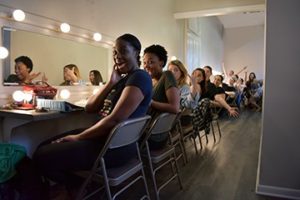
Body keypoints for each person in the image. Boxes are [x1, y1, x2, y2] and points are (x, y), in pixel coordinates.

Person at [33, 33, 152, 198]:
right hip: (103, 138)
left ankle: (81, 186)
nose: (117, 57)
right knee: (42, 147)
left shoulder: (140, 76)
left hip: (114, 147)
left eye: (123, 51)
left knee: (42, 156)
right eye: (114, 53)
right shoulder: (123, 80)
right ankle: (81, 187)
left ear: (136, 52)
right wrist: (111, 82)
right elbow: (90, 107)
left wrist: (79, 137)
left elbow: (115, 119)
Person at [143, 44, 180, 149]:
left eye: (151, 62)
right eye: (144, 62)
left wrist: (150, 102)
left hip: (153, 136)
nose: (146, 66)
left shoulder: (167, 75)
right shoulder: (151, 81)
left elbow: (175, 108)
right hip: (148, 131)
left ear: (161, 63)